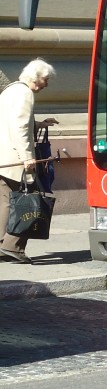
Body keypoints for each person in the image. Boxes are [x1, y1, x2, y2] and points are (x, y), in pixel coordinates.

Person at [0, 59, 58, 264]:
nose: (46, 84)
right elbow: (20, 128)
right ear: (35, 77)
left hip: (3, 159)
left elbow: (12, 120)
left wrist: (40, 124)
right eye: (46, 79)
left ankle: (2, 245)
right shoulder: (25, 93)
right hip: (17, 160)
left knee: (5, 203)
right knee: (29, 202)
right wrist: (27, 157)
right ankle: (13, 247)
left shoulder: (10, 90)